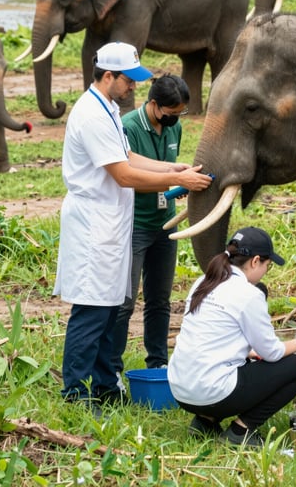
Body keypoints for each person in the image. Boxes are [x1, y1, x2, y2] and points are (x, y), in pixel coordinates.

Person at [53, 42, 213, 409]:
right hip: (94, 225)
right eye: (129, 80)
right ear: (108, 76)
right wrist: (179, 181)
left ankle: (105, 386)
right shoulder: (91, 115)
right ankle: (76, 392)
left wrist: (172, 167)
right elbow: (123, 175)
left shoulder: (107, 107)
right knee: (92, 311)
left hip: (111, 225)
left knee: (110, 308)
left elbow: (126, 155)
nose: (133, 87)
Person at [167, 226, 296, 446]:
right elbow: (272, 352)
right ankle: (240, 431)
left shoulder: (204, 281)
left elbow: (212, 338)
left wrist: (248, 353)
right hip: (212, 393)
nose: (265, 271)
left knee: (246, 363)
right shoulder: (248, 294)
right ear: (255, 261)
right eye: (267, 266)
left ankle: (204, 422)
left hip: (181, 390)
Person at [111, 74, 192, 376]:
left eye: (181, 112)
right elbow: (129, 178)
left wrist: (176, 185)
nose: (176, 118)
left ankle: (158, 363)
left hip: (165, 224)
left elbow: (166, 171)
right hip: (136, 225)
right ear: (155, 104)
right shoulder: (129, 127)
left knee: (160, 300)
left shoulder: (175, 128)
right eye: (172, 112)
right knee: (125, 302)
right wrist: (174, 179)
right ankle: (112, 368)